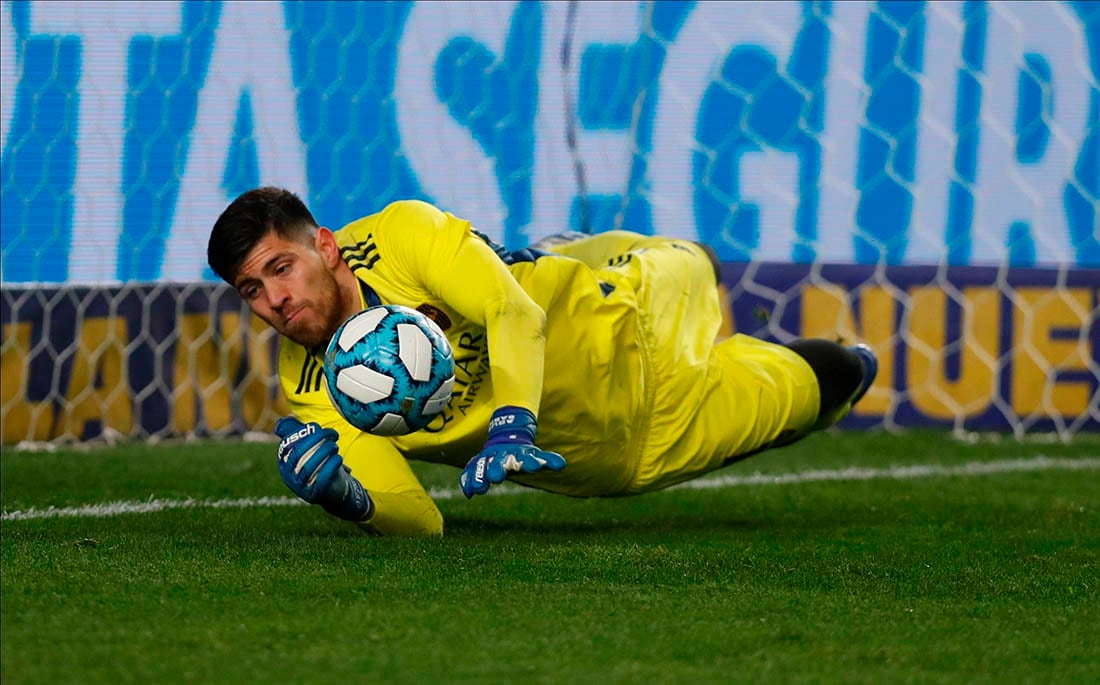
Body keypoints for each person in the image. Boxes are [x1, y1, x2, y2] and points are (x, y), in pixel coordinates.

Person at [207, 187, 878, 536]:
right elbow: (421, 518)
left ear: (325, 247)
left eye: (281, 268)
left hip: (620, 310)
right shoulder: (317, 394)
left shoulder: (401, 237)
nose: (276, 301)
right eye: (253, 290)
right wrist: (350, 501)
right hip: (626, 451)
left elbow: (515, 316)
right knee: (834, 377)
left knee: (699, 263)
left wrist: (510, 426)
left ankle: (561, 250)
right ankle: (839, 375)